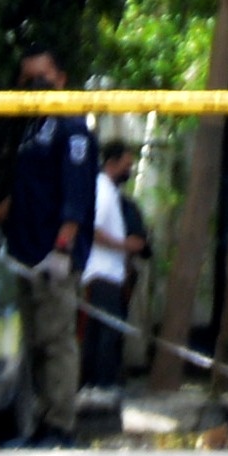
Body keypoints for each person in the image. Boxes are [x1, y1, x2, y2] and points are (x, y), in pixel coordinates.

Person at [2, 51, 96, 447]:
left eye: (40, 76)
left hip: (52, 254)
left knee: (56, 341)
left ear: (60, 77)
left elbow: (74, 197)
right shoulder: (31, 129)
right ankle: (42, 419)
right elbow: (24, 194)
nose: (32, 85)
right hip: (24, 253)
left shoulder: (71, 129)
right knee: (35, 342)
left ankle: (61, 423)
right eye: (27, 79)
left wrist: (62, 248)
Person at [81, 141, 147, 395]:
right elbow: (93, 231)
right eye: (126, 165)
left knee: (104, 332)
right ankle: (100, 385)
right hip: (102, 273)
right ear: (111, 163)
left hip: (112, 273)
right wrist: (124, 245)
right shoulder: (102, 191)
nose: (129, 171)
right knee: (105, 334)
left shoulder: (110, 192)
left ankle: (97, 385)